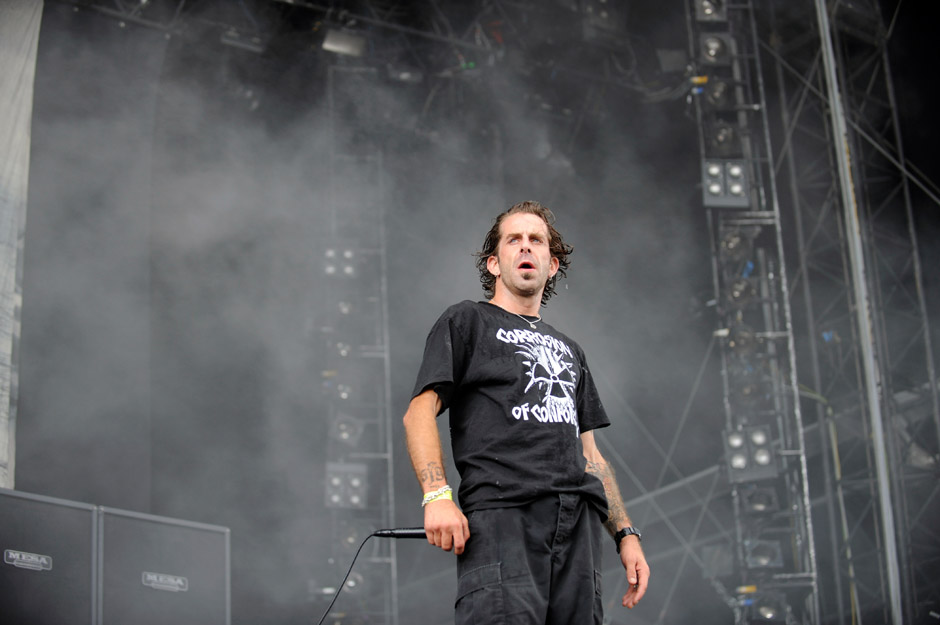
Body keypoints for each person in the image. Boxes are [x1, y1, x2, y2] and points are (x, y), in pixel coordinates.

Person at [403, 200, 649, 624]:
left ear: (552, 266)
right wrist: (437, 495)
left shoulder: (572, 351)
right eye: (513, 240)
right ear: (493, 263)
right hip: (504, 517)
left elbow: (592, 456)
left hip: (578, 527)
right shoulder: (467, 321)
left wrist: (625, 534)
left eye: (536, 241)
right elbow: (418, 413)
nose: (525, 248)